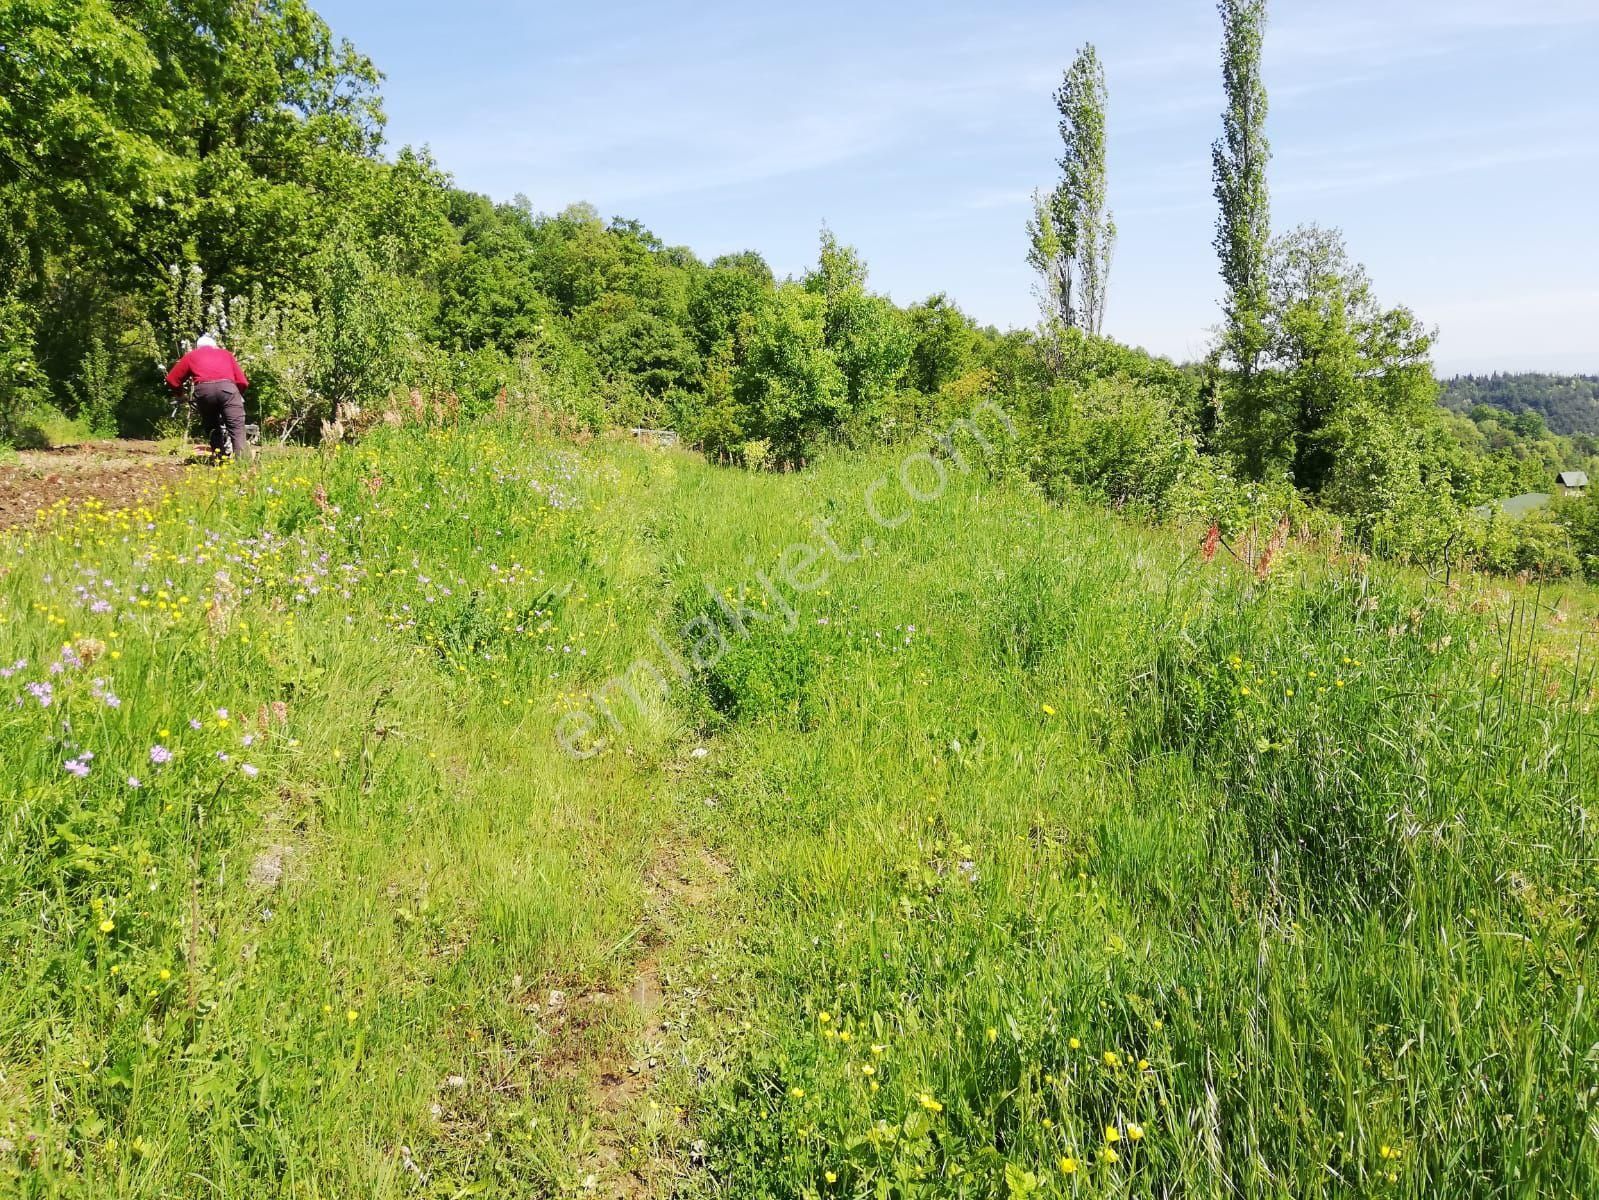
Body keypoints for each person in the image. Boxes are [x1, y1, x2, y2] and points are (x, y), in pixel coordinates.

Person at [165, 334, 252, 461]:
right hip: (228, 389)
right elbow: (243, 382)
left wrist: (180, 395)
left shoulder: (191, 355)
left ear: (197, 347)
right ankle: (243, 464)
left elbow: (172, 379)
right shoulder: (226, 354)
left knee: (212, 427)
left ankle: (219, 460)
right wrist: (236, 397)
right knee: (237, 427)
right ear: (214, 346)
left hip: (204, 391)